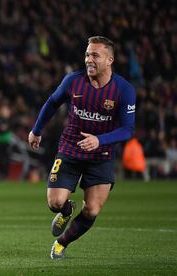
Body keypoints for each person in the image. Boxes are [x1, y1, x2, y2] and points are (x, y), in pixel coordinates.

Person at [28, 36, 135, 259]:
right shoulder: (73, 81)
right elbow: (51, 103)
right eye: (87, 54)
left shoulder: (124, 90)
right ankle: (66, 211)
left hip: (102, 154)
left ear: (109, 60)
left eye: (95, 55)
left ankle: (62, 243)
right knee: (54, 202)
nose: (89, 59)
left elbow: (127, 130)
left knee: (92, 210)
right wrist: (36, 130)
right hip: (70, 148)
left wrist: (100, 140)